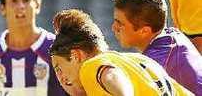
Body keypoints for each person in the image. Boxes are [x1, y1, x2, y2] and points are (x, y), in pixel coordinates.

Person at [50, 8, 193, 96]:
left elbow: (111, 76)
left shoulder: (91, 66)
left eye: (59, 68)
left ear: (76, 56)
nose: (60, 78)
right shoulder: (141, 60)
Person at [112, 0, 202, 95]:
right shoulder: (172, 37)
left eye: (119, 23)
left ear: (144, 31)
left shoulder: (156, 62)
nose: (114, 28)